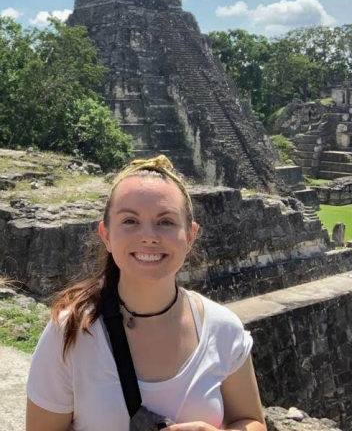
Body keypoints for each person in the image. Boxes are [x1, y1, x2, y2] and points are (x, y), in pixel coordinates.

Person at [26, 155, 267, 431]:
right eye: (130, 221)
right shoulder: (70, 334)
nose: (149, 236)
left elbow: (251, 422)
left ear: (190, 236)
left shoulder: (223, 329)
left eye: (165, 222)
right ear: (106, 235)